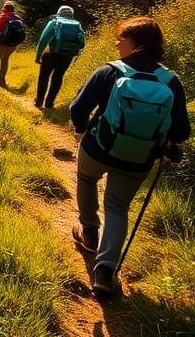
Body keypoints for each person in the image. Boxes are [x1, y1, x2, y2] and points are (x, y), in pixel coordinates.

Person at [70, 17, 190, 296]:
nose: (116, 42)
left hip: (98, 148)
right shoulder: (171, 82)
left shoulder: (109, 72)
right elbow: (182, 131)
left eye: (121, 38)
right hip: (138, 159)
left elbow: (78, 108)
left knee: (86, 178)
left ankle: (89, 233)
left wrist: (80, 130)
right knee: (117, 207)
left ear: (136, 43)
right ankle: (105, 271)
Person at [34, 5, 85, 109]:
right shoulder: (77, 25)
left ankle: (39, 102)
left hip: (51, 54)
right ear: (72, 14)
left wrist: (38, 56)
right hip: (67, 56)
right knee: (57, 78)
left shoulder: (54, 22)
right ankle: (49, 103)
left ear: (59, 13)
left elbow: (43, 40)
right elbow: (82, 43)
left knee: (44, 77)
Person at [0, 1, 25, 87]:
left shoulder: (3, 17)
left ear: (4, 9)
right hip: (12, 45)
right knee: (5, 60)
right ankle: (2, 80)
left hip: (1, 43)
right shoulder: (18, 18)